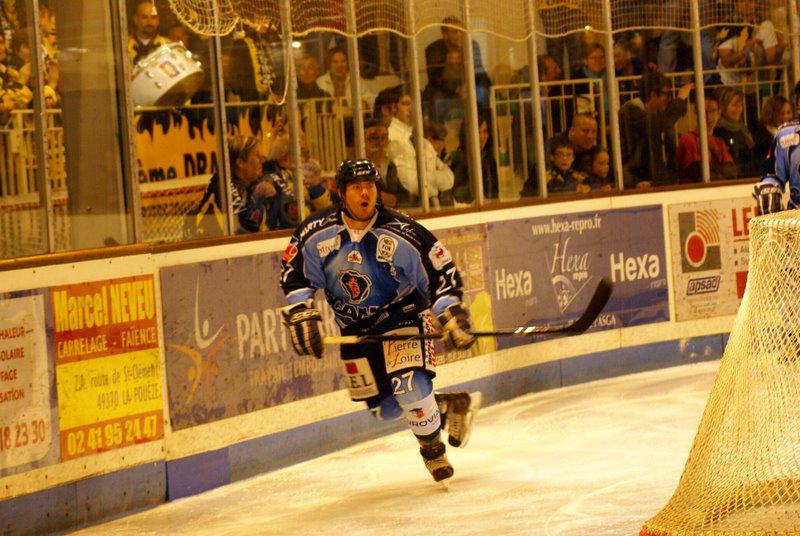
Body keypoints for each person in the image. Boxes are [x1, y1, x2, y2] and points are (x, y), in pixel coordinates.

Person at [279, 159, 482, 483]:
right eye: (357, 187)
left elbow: (440, 273)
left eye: (370, 186)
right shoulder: (316, 232)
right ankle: (445, 406)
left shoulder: (401, 232)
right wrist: (301, 309)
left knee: (409, 387)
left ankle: (433, 451)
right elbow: (295, 277)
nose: (365, 193)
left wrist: (449, 311)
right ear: (341, 193)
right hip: (356, 331)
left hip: (401, 318)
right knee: (383, 410)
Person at [190, 135, 277, 236]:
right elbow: (239, 232)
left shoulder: (247, 183)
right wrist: (256, 200)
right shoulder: (224, 184)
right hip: (202, 243)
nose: (262, 160)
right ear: (240, 162)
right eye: (257, 155)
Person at [618, 71, 692, 188]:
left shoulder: (657, 116)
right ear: (653, 95)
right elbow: (653, 127)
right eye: (667, 94)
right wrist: (680, 100)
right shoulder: (630, 111)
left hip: (654, 179)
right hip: (636, 180)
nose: (669, 99)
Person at [385, 86, 454, 208]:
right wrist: (435, 186)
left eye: (415, 104)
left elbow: (449, 178)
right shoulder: (391, 138)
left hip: (434, 207)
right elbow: (412, 185)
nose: (412, 109)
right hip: (410, 209)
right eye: (406, 104)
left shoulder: (422, 141)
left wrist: (428, 179)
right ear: (394, 108)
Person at [676, 92, 736, 182]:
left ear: (719, 113)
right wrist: (720, 168)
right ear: (696, 113)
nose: (708, 117)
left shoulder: (719, 141)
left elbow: (731, 172)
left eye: (712, 111)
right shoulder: (688, 140)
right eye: (704, 112)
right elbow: (697, 172)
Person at [449, 114, 499, 203]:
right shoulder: (460, 160)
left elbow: (495, 192)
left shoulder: (489, 159)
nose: (482, 137)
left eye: (485, 131)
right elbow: (458, 195)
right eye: (477, 132)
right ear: (468, 134)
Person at [363, 115, 407, 208]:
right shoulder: (360, 169)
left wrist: (392, 199)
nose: (381, 143)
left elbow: (405, 197)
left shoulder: (391, 166)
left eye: (384, 137)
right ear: (362, 141)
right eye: (374, 138)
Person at [713, 86, 755, 177]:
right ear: (722, 106)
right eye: (735, 105)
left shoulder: (742, 128)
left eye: (740, 105)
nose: (739, 109)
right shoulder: (718, 132)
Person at [753, 95, 792, 165]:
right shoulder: (762, 137)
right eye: (782, 113)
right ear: (771, 114)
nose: (786, 117)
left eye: (788, 112)